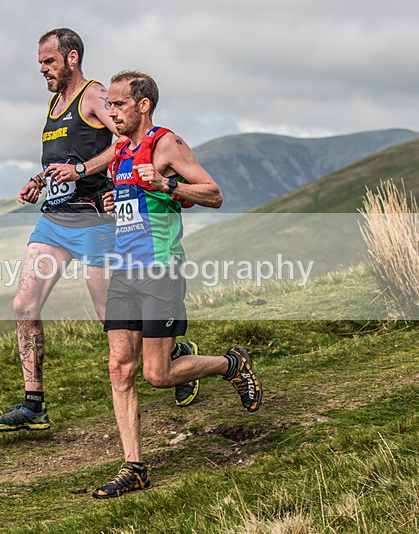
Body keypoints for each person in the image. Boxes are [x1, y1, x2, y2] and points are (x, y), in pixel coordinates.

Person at [0, 30, 199, 433]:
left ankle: (173, 353)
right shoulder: (54, 102)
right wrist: (39, 179)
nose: (43, 70)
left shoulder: (96, 96)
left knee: (111, 320)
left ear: (72, 58)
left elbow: (122, 144)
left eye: (48, 62)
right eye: (40, 64)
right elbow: (64, 157)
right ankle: (33, 405)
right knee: (23, 305)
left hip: (96, 219)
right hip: (56, 219)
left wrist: (82, 171)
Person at [91, 71, 263, 498]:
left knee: (158, 374)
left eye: (117, 104)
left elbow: (213, 193)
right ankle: (134, 467)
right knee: (119, 368)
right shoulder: (119, 154)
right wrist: (117, 201)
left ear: (143, 105)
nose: (110, 112)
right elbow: (139, 205)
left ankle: (231, 365)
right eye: (108, 105)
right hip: (124, 271)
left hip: (160, 270)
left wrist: (168, 183)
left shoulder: (166, 144)